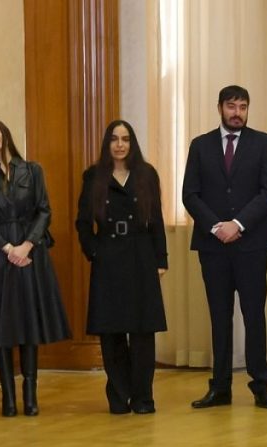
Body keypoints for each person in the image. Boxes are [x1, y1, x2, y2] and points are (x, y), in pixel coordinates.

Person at [0, 118, 71, 417]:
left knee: (28, 324)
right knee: (2, 327)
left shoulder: (32, 170)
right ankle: (8, 399)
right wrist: (7, 248)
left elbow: (44, 211)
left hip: (29, 253)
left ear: (5, 132)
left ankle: (30, 397)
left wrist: (26, 245)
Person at [182, 85, 267, 409]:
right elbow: (190, 194)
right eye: (231, 106)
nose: (237, 112)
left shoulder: (263, 143)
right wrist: (216, 226)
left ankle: (260, 384)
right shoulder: (200, 145)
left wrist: (237, 225)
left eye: (243, 106)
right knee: (219, 317)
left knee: (254, 316)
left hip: (252, 244)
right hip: (213, 247)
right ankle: (220, 387)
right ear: (220, 107)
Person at [76, 120, 168, 414]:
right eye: (114, 139)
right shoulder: (94, 177)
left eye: (125, 139)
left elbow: (156, 220)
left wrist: (161, 259)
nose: (120, 144)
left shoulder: (146, 174)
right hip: (108, 259)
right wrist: (94, 252)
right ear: (107, 143)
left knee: (142, 332)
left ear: (132, 143)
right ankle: (119, 395)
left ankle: (143, 397)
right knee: (111, 332)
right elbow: (82, 223)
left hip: (141, 256)